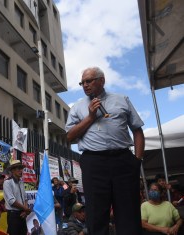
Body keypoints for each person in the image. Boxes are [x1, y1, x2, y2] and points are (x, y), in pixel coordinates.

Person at [65, 67, 145, 235]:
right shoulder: (77, 107)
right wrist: (90, 117)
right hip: (94, 163)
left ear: (102, 80)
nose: (84, 85)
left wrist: (137, 160)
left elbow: (137, 130)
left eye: (89, 81)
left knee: (128, 211)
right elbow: (70, 136)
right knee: (96, 212)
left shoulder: (122, 100)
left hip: (123, 160)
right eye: (82, 82)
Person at [3, 160, 31, 235]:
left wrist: (25, 211)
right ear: (12, 170)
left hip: (22, 214)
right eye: (18, 169)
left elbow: (25, 198)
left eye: (21, 169)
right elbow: (12, 201)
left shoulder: (21, 182)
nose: (21, 171)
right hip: (13, 215)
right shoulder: (7, 182)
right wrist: (25, 209)